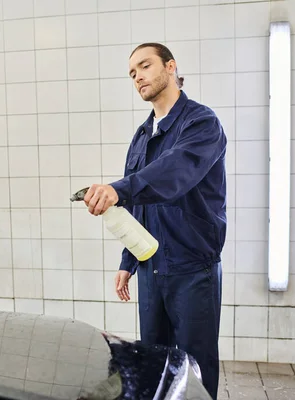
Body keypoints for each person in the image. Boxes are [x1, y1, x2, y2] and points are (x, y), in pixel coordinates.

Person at [83, 42, 226, 399]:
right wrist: (128, 260)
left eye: (144, 66)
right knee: (156, 365)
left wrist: (119, 189)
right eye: (132, 73)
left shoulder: (201, 122)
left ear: (171, 67)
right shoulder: (142, 136)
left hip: (193, 268)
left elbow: (175, 173)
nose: (138, 76)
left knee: (194, 370)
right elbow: (138, 207)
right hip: (151, 268)